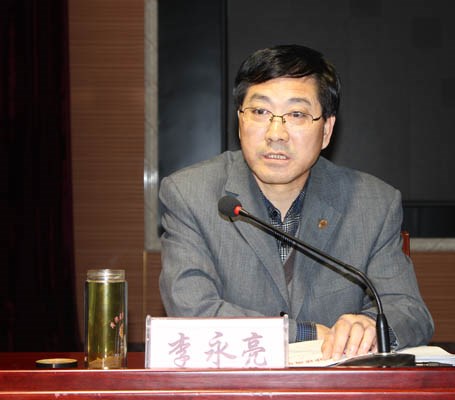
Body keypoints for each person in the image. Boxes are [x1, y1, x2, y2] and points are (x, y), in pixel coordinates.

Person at [159, 44, 434, 360]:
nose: (276, 133)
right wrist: (305, 333)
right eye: (260, 112)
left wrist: (370, 326)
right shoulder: (190, 194)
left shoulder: (372, 204)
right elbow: (191, 312)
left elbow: (410, 311)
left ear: (326, 130)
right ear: (240, 121)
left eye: (297, 114)